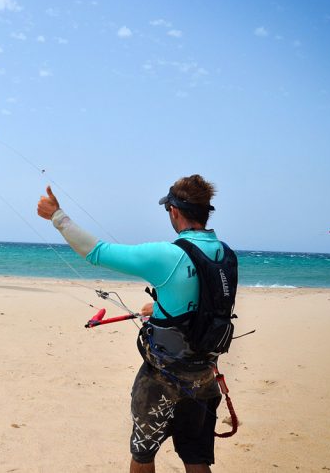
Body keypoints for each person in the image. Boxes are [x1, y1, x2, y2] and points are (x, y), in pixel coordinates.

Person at [37, 174, 233, 473]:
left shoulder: (169, 255)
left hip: (163, 382)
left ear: (174, 211)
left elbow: (97, 252)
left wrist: (57, 216)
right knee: (196, 458)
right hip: (204, 377)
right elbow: (204, 305)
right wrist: (160, 307)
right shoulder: (226, 255)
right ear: (206, 211)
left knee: (143, 455)